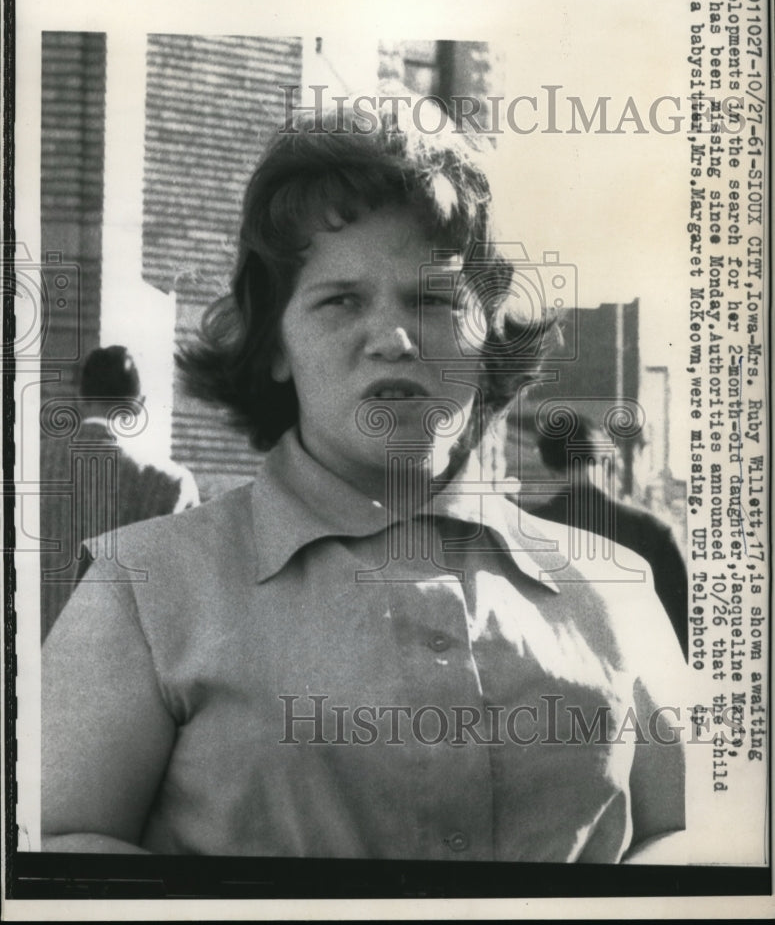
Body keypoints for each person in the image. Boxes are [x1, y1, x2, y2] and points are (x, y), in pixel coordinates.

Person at [42, 96, 687, 862]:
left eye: (434, 299)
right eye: (340, 300)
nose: (392, 337)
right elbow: (58, 847)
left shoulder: (614, 584)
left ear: (488, 342)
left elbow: (686, 834)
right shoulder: (138, 589)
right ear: (274, 344)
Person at [39, 345, 200, 638]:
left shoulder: (25, 468)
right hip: (124, 672)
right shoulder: (171, 483)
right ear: (139, 404)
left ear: (80, 399)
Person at [526, 417, 689, 659]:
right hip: (636, 673)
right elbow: (682, 624)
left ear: (550, 468)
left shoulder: (526, 530)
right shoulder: (651, 530)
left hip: (556, 679)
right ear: (606, 459)